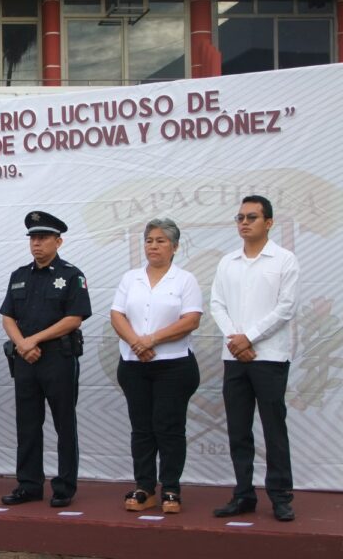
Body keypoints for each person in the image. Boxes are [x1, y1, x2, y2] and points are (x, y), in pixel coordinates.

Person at [211, 195, 300, 522]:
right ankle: (243, 494)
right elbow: (217, 304)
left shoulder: (284, 260)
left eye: (252, 217)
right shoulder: (227, 261)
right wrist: (236, 339)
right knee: (238, 429)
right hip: (234, 357)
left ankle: (280, 495)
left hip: (270, 357)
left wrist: (249, 337)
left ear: (269, 222)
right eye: (240, 217)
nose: (244, 223)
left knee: (274, 428)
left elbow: (286, 307)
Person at [0, 211, 91, 508]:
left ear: (58, 241)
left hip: (58, 358)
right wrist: (23, 344)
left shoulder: (71, 275)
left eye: (43, 238)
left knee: (64, 424)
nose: (36, 244)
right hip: (25, 358)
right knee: (27, 424)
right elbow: (8, 317)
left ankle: (64, 486)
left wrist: (34, 340)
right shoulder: (19, 276)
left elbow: (74, 319)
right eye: (33, 238)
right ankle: (29, 484)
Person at [110, 218, 202, 514]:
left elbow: (191, 320)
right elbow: (117, 315)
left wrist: (152, 340)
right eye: (149, 240)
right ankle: (144, 488)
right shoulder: (131, 278)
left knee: (169, 427)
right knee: (142, 428)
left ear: (174, 247)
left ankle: (171, 488)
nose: (153, 245)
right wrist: (137, 342)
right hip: (134, 364)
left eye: (161, 240)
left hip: (173, 365)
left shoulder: (185, 279)